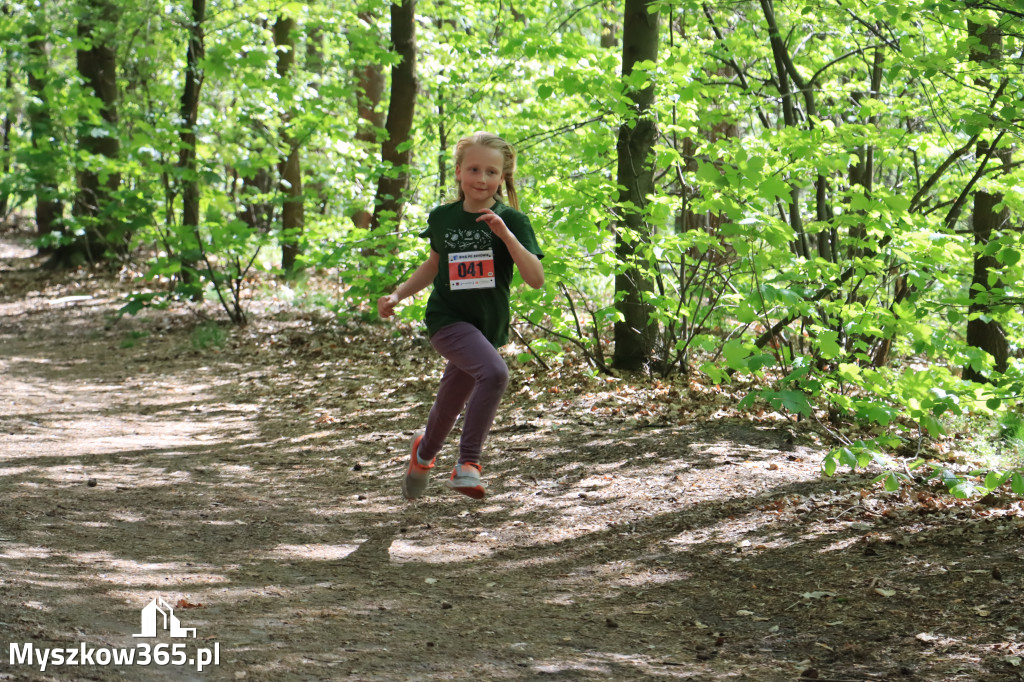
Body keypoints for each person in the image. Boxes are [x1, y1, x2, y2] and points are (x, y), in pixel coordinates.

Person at [377, 131, 544, 500]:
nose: (481, 179)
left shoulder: (512, 219)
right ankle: (468, 463)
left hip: (487, 326)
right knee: (495, 372)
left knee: (451, 400)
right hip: (447, 318)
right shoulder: (443, 218)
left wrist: (506, 235)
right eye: (473, 169)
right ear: (458, 172)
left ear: (503, 177)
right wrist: (398, 294)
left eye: (491, 172)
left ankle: (423, 454)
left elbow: (535, 279)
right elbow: (433, 265)